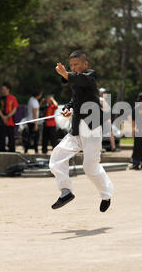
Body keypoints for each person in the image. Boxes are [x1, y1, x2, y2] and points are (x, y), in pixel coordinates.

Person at [49, 50, 114, 212]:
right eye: (71, 65)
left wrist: (66, 74)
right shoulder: (76, 83)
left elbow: (80, 79)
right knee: (56, 158)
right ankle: (66, 191)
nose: (73, 68)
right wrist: (68, 108)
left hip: (91, 128)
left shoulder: (90, 76)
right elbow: (75, 100)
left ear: (86, 64)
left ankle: (106, 194)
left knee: (90, 167)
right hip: (77, 128)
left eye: (76, 65)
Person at [0, 82, 19, 152]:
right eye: (2, 89)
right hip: (1, 120)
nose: (2, 91)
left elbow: (15, 109)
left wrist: (8, 116)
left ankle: (12, 149)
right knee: (1, 135)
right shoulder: (0, 99)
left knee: (11, 136)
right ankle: (2, 149)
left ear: (8, 89)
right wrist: (3, 117)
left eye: (4, 89)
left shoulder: (13, 98)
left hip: (10, 120)